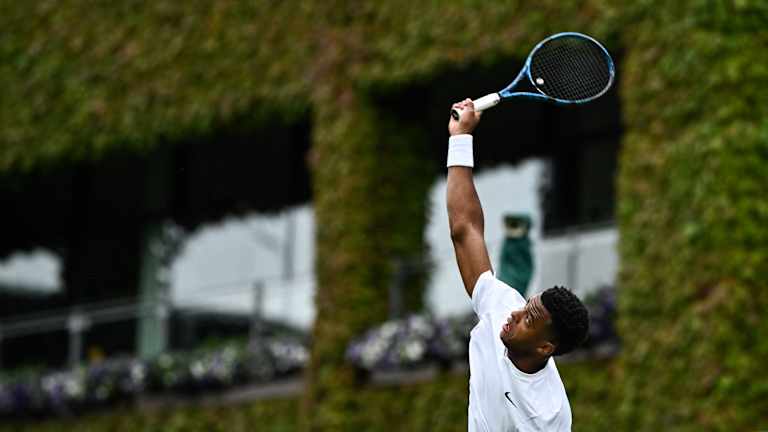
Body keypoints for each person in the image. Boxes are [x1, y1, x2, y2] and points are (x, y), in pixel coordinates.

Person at [446, 99, 590, 431]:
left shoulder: (549, 416)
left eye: (529, 317)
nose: (515, 313)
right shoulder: (504, 309)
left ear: (544, 347)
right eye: (527, 305)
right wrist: (460, 138)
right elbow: (464, 231)